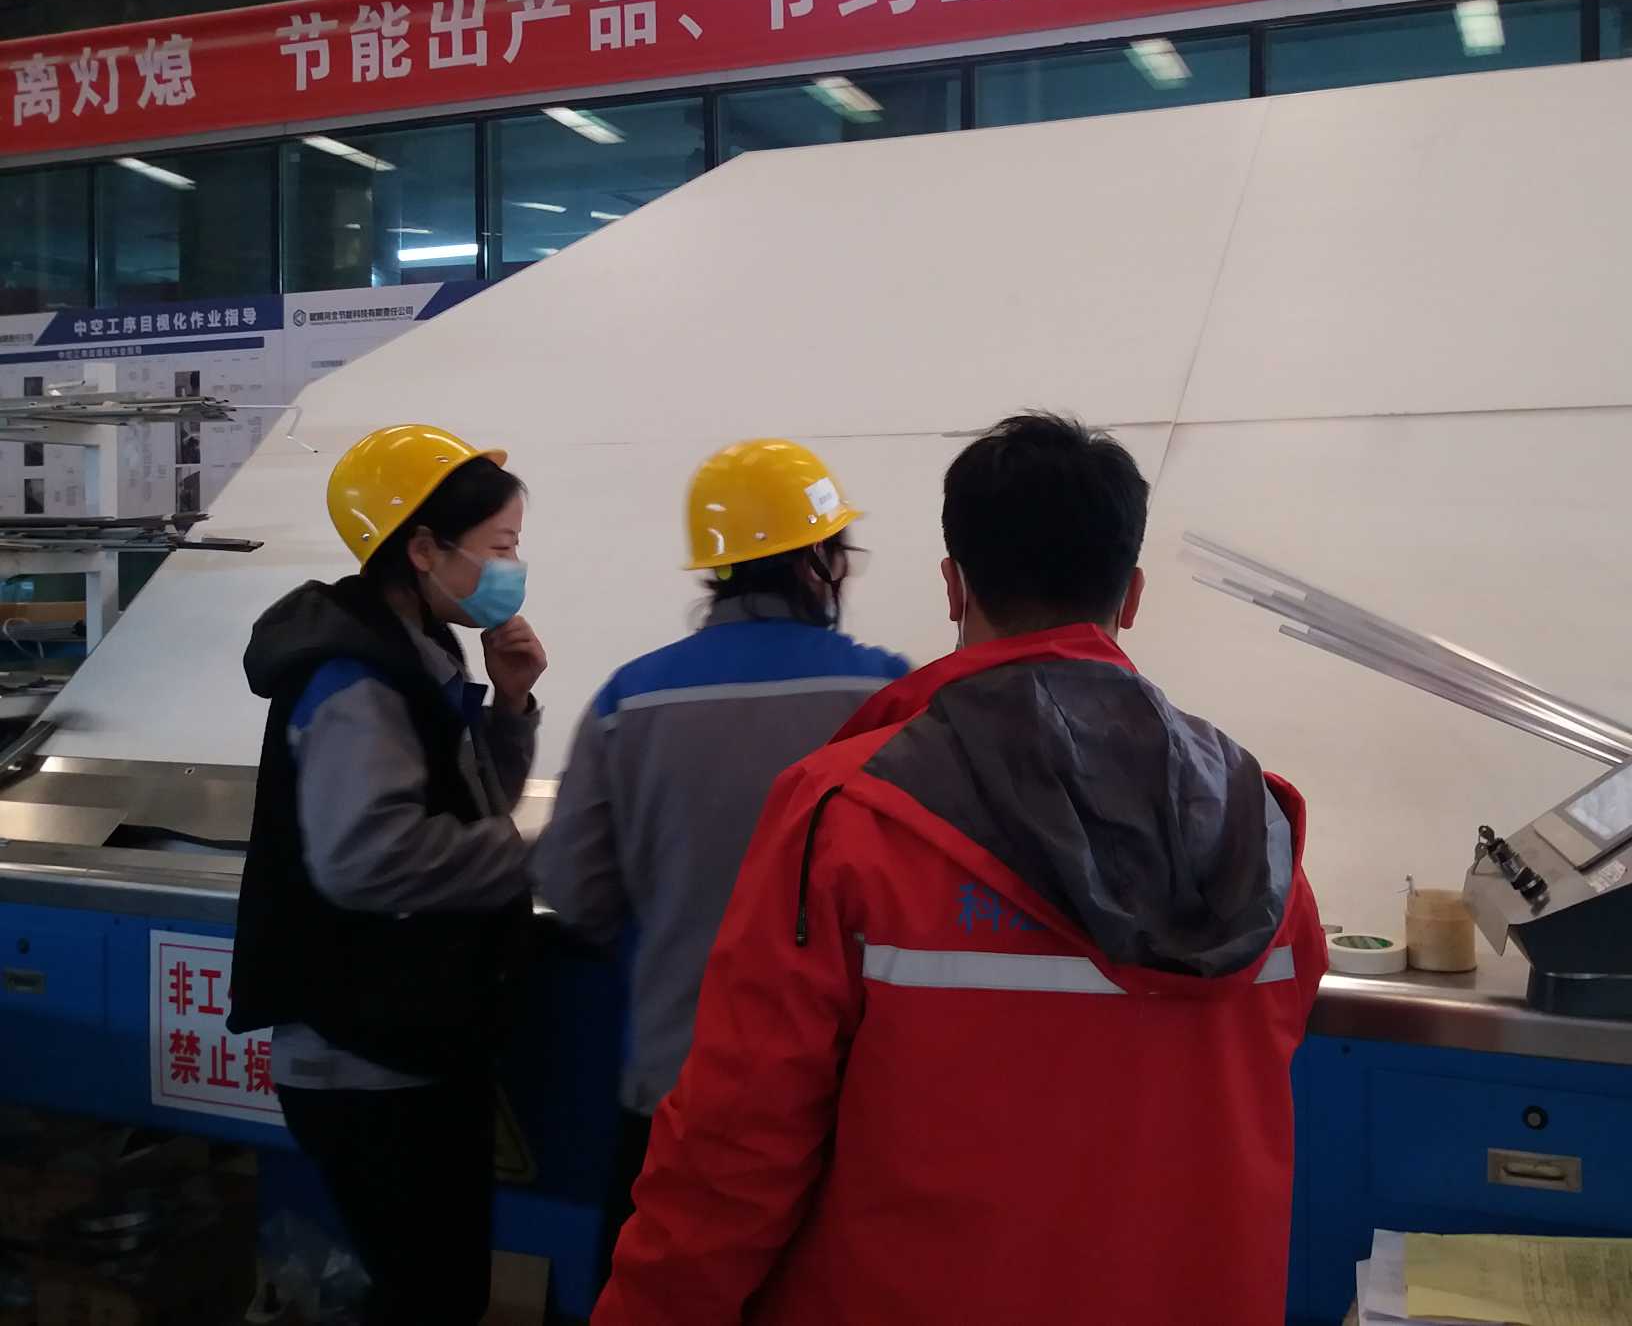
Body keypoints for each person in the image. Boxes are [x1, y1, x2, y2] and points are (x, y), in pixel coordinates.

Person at [595, 413, 1327, 1326]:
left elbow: (736, 1147)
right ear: (1133, 594)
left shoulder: (850, 817)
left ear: (954, 584)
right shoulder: (1256, 830)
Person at [532, 438, 908, 1283]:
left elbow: (572, 891)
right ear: (817, 562)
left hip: (677, 1088)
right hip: (839, 1098)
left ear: (716, 569)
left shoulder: (628, 702)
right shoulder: (886, 698)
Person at [229, 423, 547, 1326]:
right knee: (435, 1295)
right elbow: (370, 857)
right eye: (500, 547)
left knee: (436, 1286)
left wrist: (512, 704)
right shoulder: (356, 676)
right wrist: (548, 853)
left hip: (400, 1038)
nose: (512, 568)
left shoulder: (414, 650)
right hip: (365, 1054)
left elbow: (468, 806)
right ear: (423, 549)